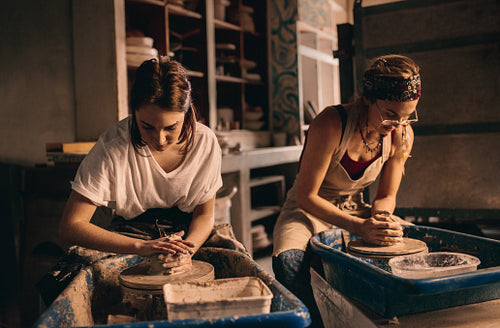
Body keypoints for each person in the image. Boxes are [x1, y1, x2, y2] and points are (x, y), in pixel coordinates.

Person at [272, 54, 421, 327]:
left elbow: (386, 196)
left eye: (407, 117)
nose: (398, 125)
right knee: (288, 262)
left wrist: (381, 218)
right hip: (308, 209)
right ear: (368, 98)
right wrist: (361, 227)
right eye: (389, 114)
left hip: (356, 208)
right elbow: (307, 196)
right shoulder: (331, 123)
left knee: (415, 248)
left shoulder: (401, 133)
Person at [59, 57, 225, 272]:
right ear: (134, 113)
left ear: (186, 113)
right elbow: (71, 225)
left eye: (171, 128)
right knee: (69, 278)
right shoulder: (113, 146)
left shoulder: (205, 142)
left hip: (188, 232)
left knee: (237, 265)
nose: (160, 139)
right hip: (131, 233)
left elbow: (204, 215)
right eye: (147, 127)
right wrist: (141, 246)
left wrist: (186, 252)